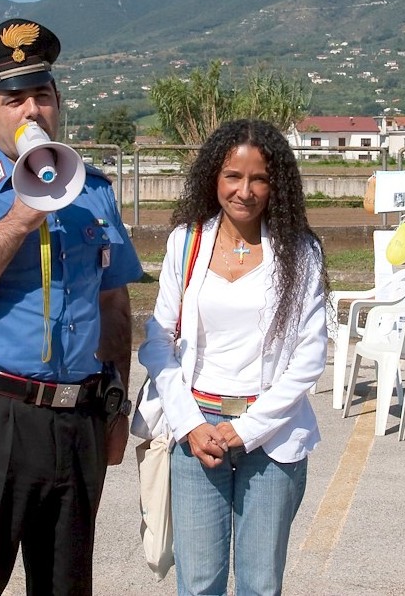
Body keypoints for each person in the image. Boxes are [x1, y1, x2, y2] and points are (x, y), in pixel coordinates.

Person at [0, 18, 143, 595]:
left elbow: (114, 304)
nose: (32, 112)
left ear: (58, 104)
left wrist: (116, 405)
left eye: (42, 96)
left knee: (66, 584)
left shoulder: (92, 190)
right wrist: (20, 215)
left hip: (79, 416)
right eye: (14, 100)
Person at [132, 119, 329, 596]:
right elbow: (159, 341)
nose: (245, 191)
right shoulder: (187, 242)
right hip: (197, 429)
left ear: (276, 183)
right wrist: (189, 424)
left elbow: (308, 357)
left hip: (272, 434)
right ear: (213, 178)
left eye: (259, 178)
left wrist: (247, 429)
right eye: (232, 176)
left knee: (261, 584)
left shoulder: (300, 253)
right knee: (198, 583)